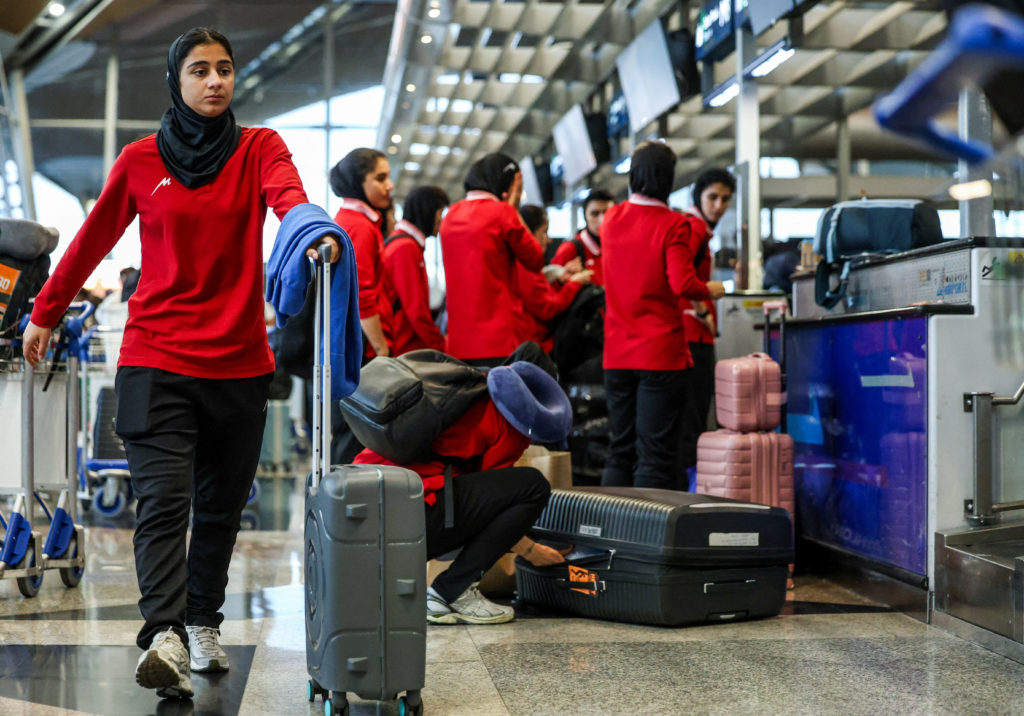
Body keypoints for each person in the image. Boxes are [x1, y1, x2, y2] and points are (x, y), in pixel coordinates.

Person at [21, 27, 341, 701]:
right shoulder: (141, 160)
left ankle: (202, 621)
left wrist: (313, 230)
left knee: (220, 507)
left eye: (225, 68)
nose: (215, 81)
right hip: (156, 357)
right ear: (177, 79)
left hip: (238, 363)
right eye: (200, 70)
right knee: (163, 502)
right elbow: (92, 238)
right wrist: (46, 311)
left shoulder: (260, 148)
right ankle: (162, 633)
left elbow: (288, 196)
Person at [352, 360, 572, 624]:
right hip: (407, 517)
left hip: (366, 509)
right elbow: (497, 507)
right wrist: (531, 550)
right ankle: (451, 592)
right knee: (532, 486)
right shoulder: (510, 430)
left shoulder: (467, 391)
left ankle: (442, 593)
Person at [600, 141, 725, 490]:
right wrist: (714, 289)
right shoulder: (673, 224)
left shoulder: (611, 219)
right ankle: (644, 539)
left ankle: (612, 530)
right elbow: (683, 283)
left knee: (619, 449)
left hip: (616, 353)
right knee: (654, 454)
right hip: (659, 354)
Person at [439, 153, 544, 367]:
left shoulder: (450, 215)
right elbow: (535, 259)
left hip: (459, 342)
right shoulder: (503, 213)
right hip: (499, 341)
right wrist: (513, 208)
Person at [678, 168, 735, 480]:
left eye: (725, 199)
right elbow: (681, 276)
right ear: (698, 196)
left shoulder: (696, 229)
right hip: (693, 337)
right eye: (712, 197)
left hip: (693, 336)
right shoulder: (693, 229)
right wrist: (704, 312)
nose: (719, 205)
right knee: (693, 417)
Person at [330, 147, 395, 360]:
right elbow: (362, 294)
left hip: (359, 339)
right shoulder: (358, 226)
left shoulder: (357, 221)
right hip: (362, 344)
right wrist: (381, 348)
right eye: (380, 178)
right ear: (358, 182)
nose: (390, 186)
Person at [516, 204, 592, 353]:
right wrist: (575, 283)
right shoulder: (524, 266)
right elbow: (547, 307)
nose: (549, 239)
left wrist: (561, 276)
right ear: (530, 234)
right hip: (535, 346)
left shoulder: (528, 265)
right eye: (544, 232)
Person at [383, 186, 449, 355]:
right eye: (440, 214)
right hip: (404, 350)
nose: (441, 221)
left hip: (404, 347)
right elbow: (416, 309)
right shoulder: (405, 248)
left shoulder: (403, 243)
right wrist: (441, 347)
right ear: (428, 212)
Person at [551, 188, 615, 286]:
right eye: (595, 214)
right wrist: (571, 283)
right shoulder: (570, 250)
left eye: (607, 213)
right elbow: (550, 294)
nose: (602, 219)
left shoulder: (621, 248)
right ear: (585, 217)